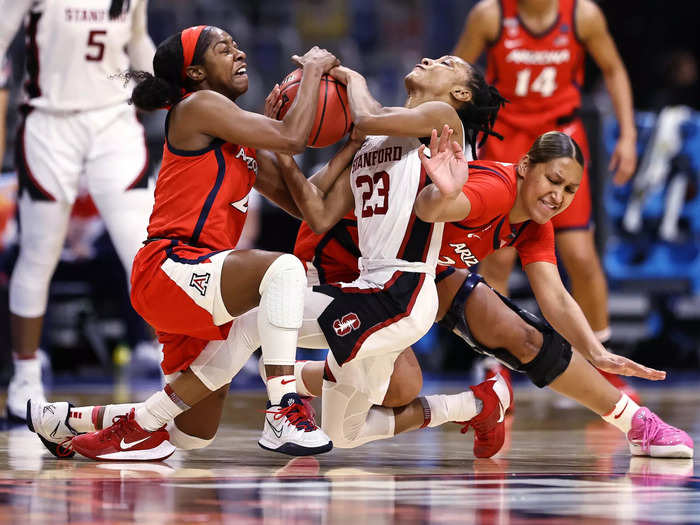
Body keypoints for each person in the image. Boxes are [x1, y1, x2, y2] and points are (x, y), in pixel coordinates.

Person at [31, 54, 516, 461]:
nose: (432, 59)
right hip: (367, 289)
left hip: (401, 294)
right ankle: (475, 404)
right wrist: (281, 150)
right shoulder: (370, 144)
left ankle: (161, 420)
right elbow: (318, 212)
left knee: (259, 314)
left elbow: (365, 115)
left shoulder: (442, 122)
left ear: (462, 96)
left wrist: (351, 80)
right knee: (343, 430)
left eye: (448, 65)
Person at [276, 129, 693, 459]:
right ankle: (288, 379)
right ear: (526, 166)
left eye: (569, 190)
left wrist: (597, 352)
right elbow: (430, 210)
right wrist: (443, 193)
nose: (558, 196)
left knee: (527, 338)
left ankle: (637, 423)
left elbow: (555, 296)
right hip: (355, 266)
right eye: (553, 180)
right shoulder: (495, 189)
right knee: (398, 389)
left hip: (420, 272)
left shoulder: (534, 221)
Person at [30, 25, 340, 460]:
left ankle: (66, 421)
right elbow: (293, 134)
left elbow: (309, 209)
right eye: (223, 49)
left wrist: (296, 150)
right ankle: (284, 407)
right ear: (195, 72)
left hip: (201, 279)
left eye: (237, 45)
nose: (239, 53)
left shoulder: (241, 142)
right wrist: (311, 74)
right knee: (283, 269)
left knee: (190, 433)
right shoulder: (197, 106)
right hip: (171, 265)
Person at [452, 0, 639, 398]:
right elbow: (453, 76)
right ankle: (491, 365)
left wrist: (628, 134)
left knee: (582, 257)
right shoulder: (490, 14)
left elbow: (614, 69)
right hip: (507, 141)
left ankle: (601, 356)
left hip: (563, 144)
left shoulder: (582, 15)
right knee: (498, 255)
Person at [0, 0, 158, 421]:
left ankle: (174, 362)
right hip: (51, 121)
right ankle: (26, 375)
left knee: (146, 250)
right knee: (39, 252)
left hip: (114, 120)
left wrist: (158, 84)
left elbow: (137, 40)